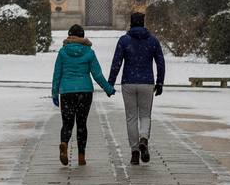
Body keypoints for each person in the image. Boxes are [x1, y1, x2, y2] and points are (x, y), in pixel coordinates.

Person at [51, 23, 114, 167]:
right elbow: (97, 74)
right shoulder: (89, 52)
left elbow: (57, 74)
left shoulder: (62, 52)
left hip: (67, 92)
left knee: (67, 123)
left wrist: (55, 93)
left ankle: (64, 144)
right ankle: (81, 156)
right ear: (82, 36)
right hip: (84, 92)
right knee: (81, 124)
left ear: (69, 35)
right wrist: (108, 89)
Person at [108, 11, 166, 165]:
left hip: (128, 82)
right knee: (145, 115)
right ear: (143, 23)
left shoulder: (124, 40)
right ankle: (144, 139)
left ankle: (134, 151)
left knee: (131, 117)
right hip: (147, 82)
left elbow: (116, 63)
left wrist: (110, 83)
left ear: (131, 23)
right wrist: (160, 82)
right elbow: (160, 62)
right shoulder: (152, 41)